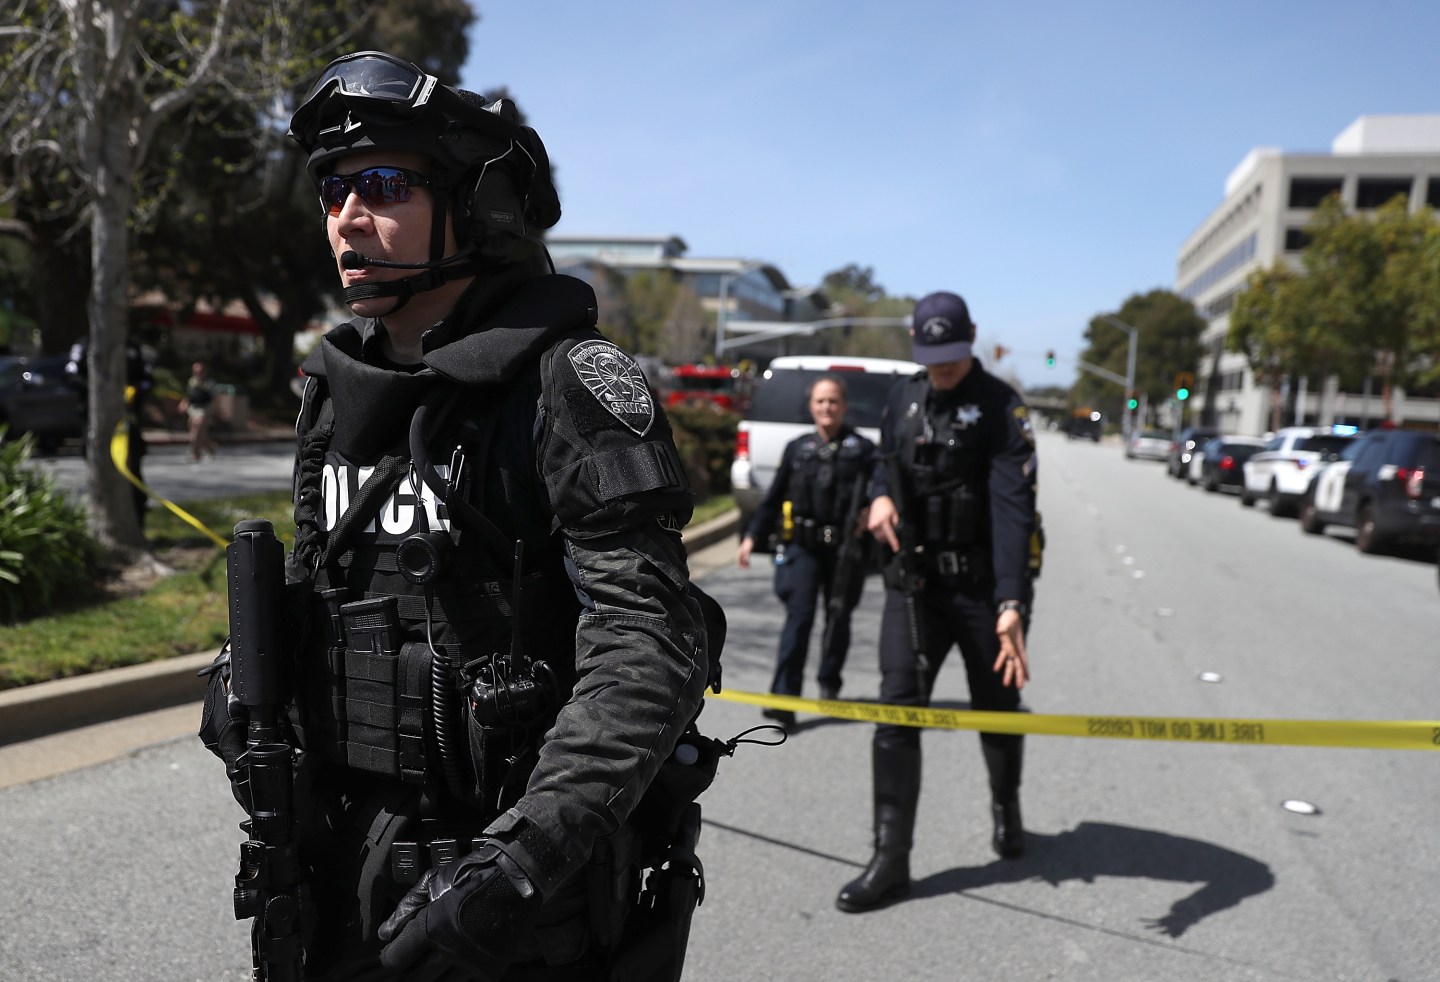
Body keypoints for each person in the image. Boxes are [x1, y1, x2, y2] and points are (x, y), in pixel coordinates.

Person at [199, 50, 720, 981]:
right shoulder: (334, 388)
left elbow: (649, 641)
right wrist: (241, 677)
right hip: (332, 865)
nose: (347, 219)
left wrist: (517, 867)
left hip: (504, 896)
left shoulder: (568, 383)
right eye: (333, 192)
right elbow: (330, 587)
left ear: (480, 204)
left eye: (384, 185)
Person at [835, 290, 1038, 914]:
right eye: (931, 355)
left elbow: (1013, 511)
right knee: (895, 711)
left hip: (981, 591)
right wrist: (879, 496)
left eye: (951, 355)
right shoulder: (904, 395)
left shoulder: (1003, 407)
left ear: (973, 338)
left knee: (997, 706)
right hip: (915, 586)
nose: (941, 367)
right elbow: (881, 462)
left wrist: (1011, 603)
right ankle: (890, 857)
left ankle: (1006, 807)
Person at [736, 377, 876, 727]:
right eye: (820, 402)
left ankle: (830, 679)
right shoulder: (798, 448)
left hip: (845, 548)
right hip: (803, 547)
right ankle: (784, 698)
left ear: (844, 406)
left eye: (833, 401)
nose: (827, 408)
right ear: (812, 407)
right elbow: (773, 497)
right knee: (799, 618)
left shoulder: (862, 450)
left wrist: (872, 513)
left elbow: (881, 493)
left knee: (838, 615)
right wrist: (753, 536)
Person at [179, 359, 218, 463]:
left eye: (200, 371)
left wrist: (217, 412)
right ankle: (211, 449)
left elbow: (214, 399)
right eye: (195, 372)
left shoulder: (209, 383)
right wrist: (184, 404)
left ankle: (195, 454)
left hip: (205, 410)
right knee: (201, 434)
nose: (197, 374)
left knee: (195, 433)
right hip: (193, 409)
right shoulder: (192, 381)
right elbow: (189, 396)